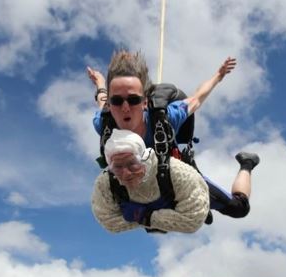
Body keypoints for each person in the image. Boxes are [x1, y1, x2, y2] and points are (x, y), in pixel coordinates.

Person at [88, 50, 260, 219]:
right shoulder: (105, 125)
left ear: (145, 103)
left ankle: (247, 163)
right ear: (110, 106)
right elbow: (102, 100)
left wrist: (219, 75)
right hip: (136, 188)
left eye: (133, 100)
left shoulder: (166, 119)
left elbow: (197, 98)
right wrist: (100, 82)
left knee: (239, 209)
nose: (125, 107)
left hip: (174, 180)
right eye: (117, 101)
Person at [91, 129, 210, 234]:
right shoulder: (106, 182)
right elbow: (109, 223)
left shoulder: (178, 172)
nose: (126, 173)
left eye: (132, 164)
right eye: (118, 167)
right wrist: (162, 218)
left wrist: (145, 217)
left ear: (145, 158)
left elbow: (193, 220)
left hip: (188, 190)